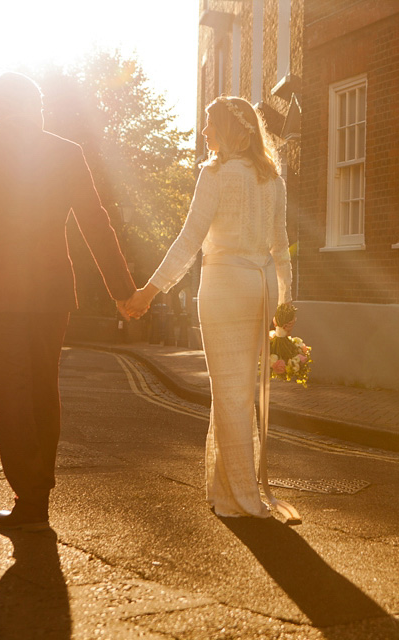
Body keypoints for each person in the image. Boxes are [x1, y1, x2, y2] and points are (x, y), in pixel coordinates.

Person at [0, 72, 136, 531]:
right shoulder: (66, 151)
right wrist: (123, 291)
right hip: (50, 293)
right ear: (35, 104)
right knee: (43, 389)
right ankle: (37, 494)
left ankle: (29, 498)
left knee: (11, 394)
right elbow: (95, 221)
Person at [124, 96, 296, 520]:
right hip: (259, 289)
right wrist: (286, 306)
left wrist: (149, 290)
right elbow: (282, 249)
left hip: (223, 289)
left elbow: (189, 240)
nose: (205, 134)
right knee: (239, 394)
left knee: (230, 394)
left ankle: (243, 500)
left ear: (232, 130)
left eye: (210, 126)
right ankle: (228, 492)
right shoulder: (273, 180)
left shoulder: (214, 175)